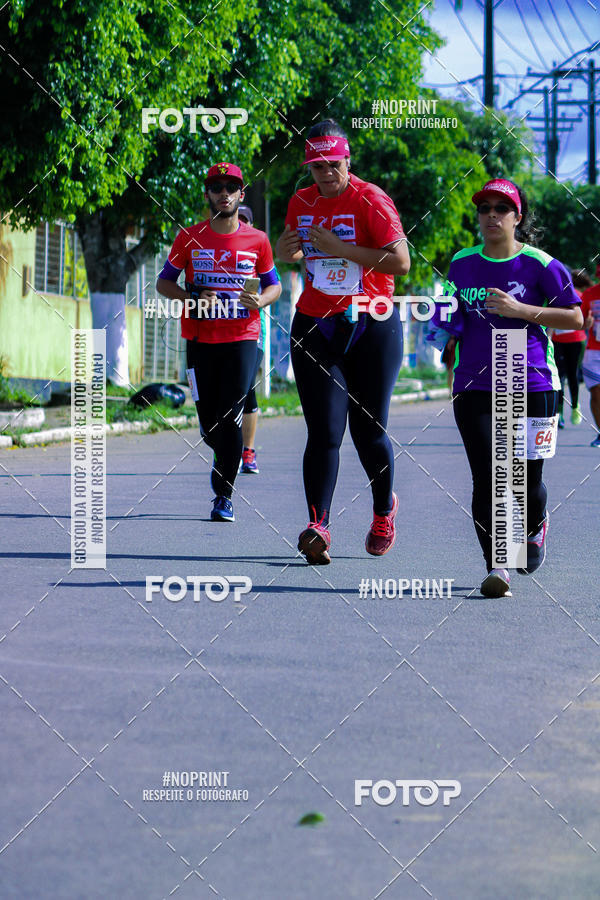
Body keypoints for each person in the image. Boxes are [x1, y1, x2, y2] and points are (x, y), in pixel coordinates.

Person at [427, 178, 583, 598]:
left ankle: (535, 524)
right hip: (475, 382)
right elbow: (447, 309)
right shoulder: (461, 262)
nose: (491, 215)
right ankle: (499, 563)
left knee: (525, 480)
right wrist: (442, 325)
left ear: (517, 217)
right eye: (485, 208)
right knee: (489, 476)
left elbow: (574, 319)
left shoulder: (541, 264)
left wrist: (521, 310)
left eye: (501, 208)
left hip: (531, 379)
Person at [275, 119, 410, 564]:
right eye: (317, 166)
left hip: (371, 323)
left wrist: (338, 246)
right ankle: (319, 526)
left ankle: (383, 509)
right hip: (316, 323)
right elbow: (291, 254)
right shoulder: (300, 200)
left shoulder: (370, 199)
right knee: (324, 432)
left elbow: (401, 262)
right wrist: (285, 249)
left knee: (368, 431)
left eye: (334, 164)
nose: (326, 173)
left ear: (348, 160)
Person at [156, 162, 281, 521]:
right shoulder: (189, 237)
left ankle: (224, 496)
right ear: (207, 194)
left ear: (241, 194)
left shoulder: (257, 240)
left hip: (243, 337)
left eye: (231, 187)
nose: (224, 193)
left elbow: (274, 284)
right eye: (217, 187)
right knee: (212, 426)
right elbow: (164, 283)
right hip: (199, 338)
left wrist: (263, 300)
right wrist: (191, 298)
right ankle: (221, 450)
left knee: (230, 417)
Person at [237, 203, 265, 474]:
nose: (241, 224)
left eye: (245, 220)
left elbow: (274, 286)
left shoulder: (258, 251)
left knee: (246, 390)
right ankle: (226, 447)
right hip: (217, 332)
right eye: (237, 219)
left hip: (252, 334)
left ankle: (247, 451)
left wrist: (259, 299)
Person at [551, 268, 590, 427]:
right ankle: (558, 413)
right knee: (559, 376)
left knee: (573, 375)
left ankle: (575, 407)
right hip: (558, 341)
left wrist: (587, 324)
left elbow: (586, 318)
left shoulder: (579, 295)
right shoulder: (552, 294)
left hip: (576, 340)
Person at [580, 273, 600, 447]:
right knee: (596, 392)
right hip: (594, 352)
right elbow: (578, 319)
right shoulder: (590, 294)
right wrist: (585, 324)